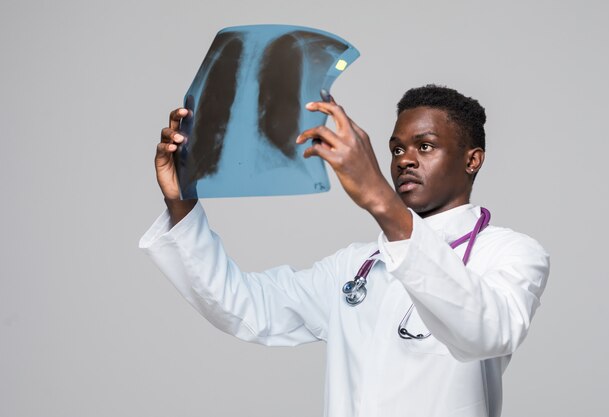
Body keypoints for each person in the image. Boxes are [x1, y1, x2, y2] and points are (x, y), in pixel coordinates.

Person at [139, 85, 550, 417]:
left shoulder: (511, 253)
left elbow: (487, 332)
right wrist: (182, 202)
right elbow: (245, 308)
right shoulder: (355, 267)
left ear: (472, 160)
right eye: (396, 149)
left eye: (425, 146)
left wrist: (379, 199)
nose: (405, 160)